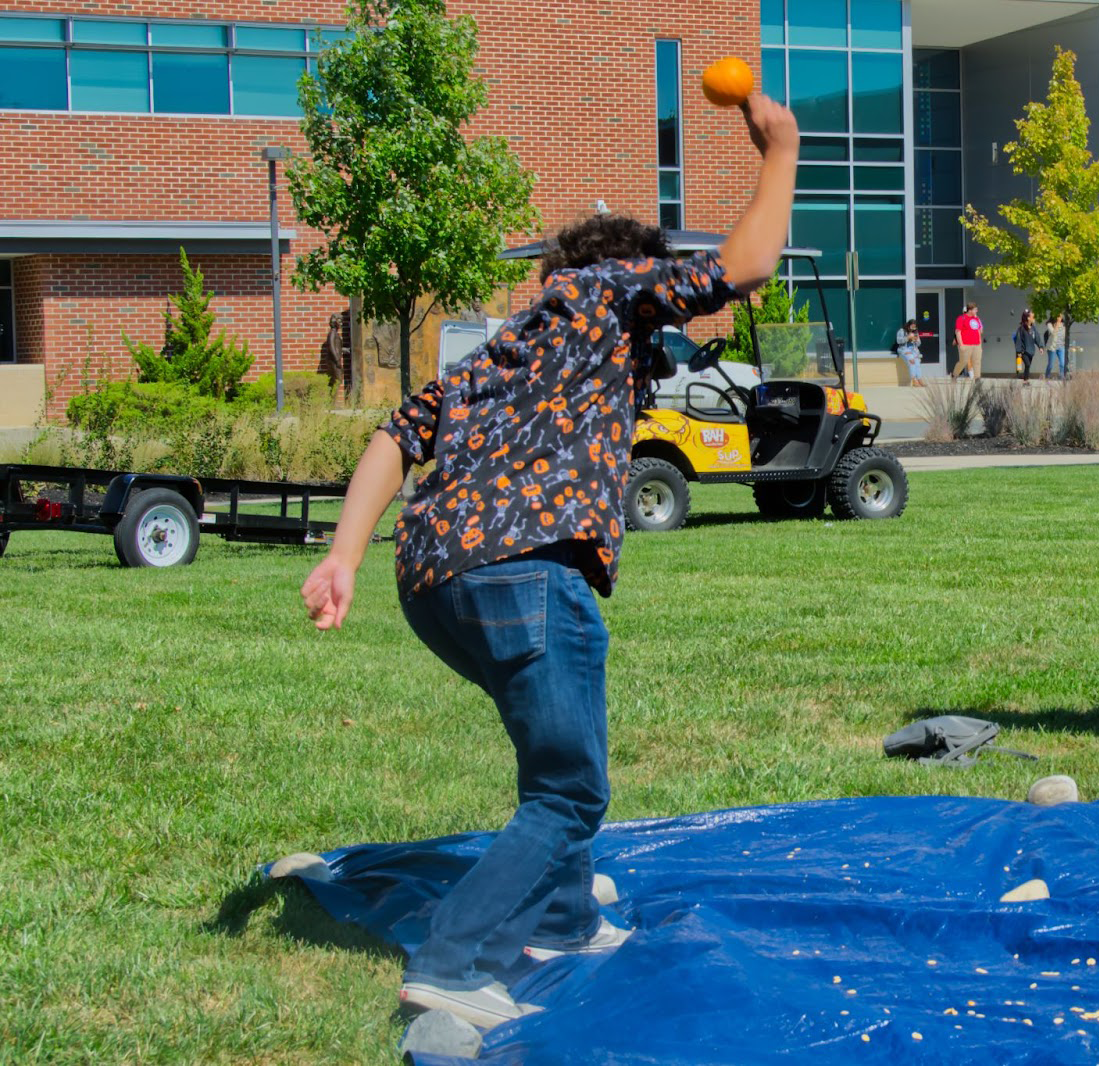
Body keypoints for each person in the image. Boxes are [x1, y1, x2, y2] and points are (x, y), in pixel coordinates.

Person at [299, 92, 800, 1030]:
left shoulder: (516, 343)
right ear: (630, 270)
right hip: (526, 568)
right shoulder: (608, 292)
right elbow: (746, 264)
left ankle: (563, 922)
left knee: (552, 750)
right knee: (571, 786)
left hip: (434, 579)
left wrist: (344, 558)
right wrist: (780, 153)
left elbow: (393, 434)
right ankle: (453, 962)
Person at [952, 301, 984, 381]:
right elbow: (958, 332)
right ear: (970, 310)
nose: (976, 311)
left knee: (977, 361)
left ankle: (977, 379)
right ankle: (955, 375)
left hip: (976, 344)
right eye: (975, 309)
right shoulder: (961, 318)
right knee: (963, 361)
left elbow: (980, 331)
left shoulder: (976, 319)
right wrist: (961, 344)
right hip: (966, 344)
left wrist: (980, 344)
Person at [1015, 309, 1044, 385]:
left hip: (1031, 351)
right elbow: (1018, 340)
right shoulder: (1021, 329)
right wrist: (1019, 352)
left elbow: (1037, 337)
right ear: (1028, 318)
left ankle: (1024, 377)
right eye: (1032, 317)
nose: (1034, 318)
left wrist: (1040, 347)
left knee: (1028, 366)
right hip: (1023, 351)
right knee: (1027, 364)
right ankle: (1025, 380)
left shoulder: (1033, 328)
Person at [895, 318, 924, 387]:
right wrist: (908, 337)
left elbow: (919, 344)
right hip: (904, 349)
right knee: (911, 360)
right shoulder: (902, 331)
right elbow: (899, 341)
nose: (913, 328)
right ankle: (914, 379)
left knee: (917, 361)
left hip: (913, 349)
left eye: (914, 327)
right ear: (908, 326)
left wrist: (916, 340)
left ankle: (919, 378)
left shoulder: (915, 332)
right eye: (912, 326)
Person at [1044, 313, 1066, 380]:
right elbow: (1053, 333)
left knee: (1062, 363)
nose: (1061, 317)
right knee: (1050, 365)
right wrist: (1057, 323)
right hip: (1052, 347)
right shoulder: (1049, 324)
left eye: (1061, 315)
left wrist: (1064, 341)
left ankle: (1062, 377)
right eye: (1059, 316)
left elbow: (1064, 335)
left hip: (1061, 346)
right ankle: (1047, 376)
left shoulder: (1063, 325)